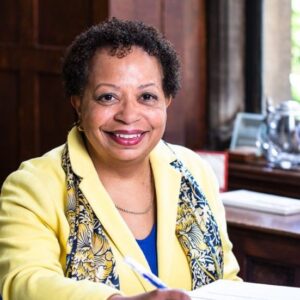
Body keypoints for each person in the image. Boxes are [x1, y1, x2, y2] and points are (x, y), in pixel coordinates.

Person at [0, 18, 240, 300]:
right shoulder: (33, 185)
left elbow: (227, 281)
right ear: (78, 102)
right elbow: (22, 282)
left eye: (147, 96)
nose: (128, 115)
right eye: (108, 97)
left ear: (167, 101)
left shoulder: (194, 170)